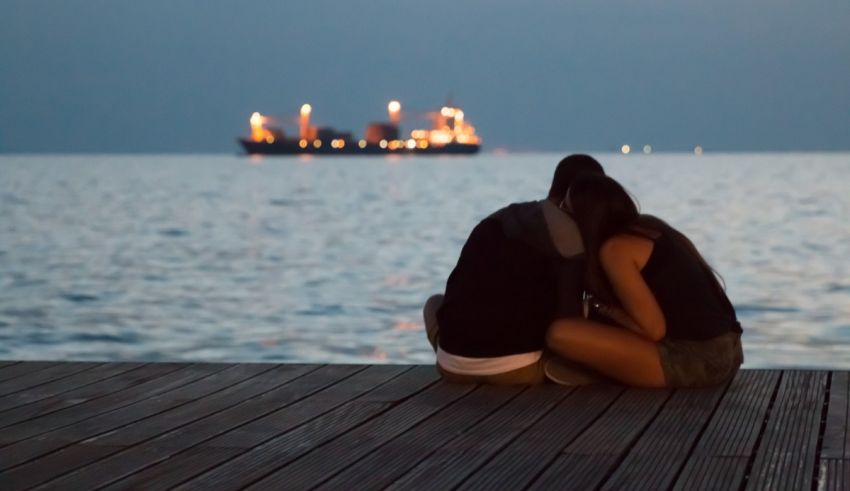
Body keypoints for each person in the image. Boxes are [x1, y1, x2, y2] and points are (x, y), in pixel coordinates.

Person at [546, 174, 744, 388]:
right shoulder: (651, 228)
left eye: (566, 210)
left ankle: (608, 373)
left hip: (697, 361)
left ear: (585, 217)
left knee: (560, 334)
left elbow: (653, 330)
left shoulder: (615, 249)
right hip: (728, 352)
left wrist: (599, 307)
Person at [423, 154, 605, 384]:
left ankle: (461, 359)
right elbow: (567, 321)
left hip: (451, 367)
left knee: (434, 303)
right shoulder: (571, 239)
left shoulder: (498, 218)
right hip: (518, 370)